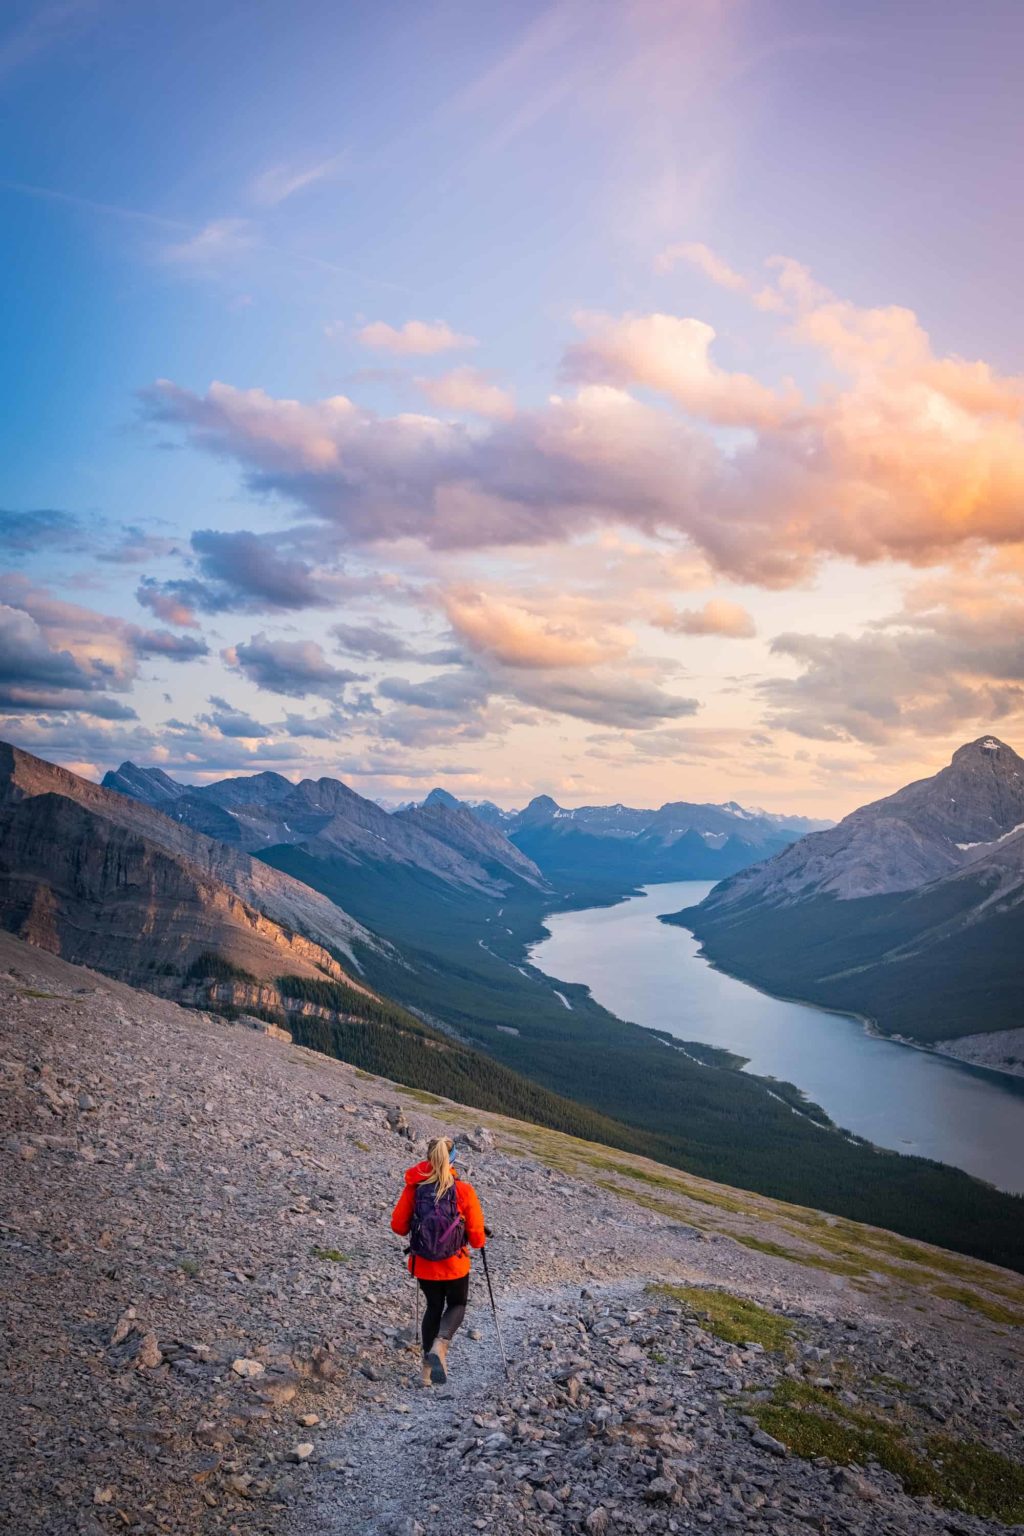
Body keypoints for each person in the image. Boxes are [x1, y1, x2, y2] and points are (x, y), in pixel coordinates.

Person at [390, 1135, 486, 1385]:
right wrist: (474, 1236)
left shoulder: (415, 1188)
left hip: (424, 1264)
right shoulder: (463, 1190)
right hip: (454, 1264)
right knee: (457, 1304)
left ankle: (426, 1373)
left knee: (433, 1307)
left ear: (429, 1157)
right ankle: (440, 1346)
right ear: (452, 1159)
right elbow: (477, 1238)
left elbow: (398, 1226)